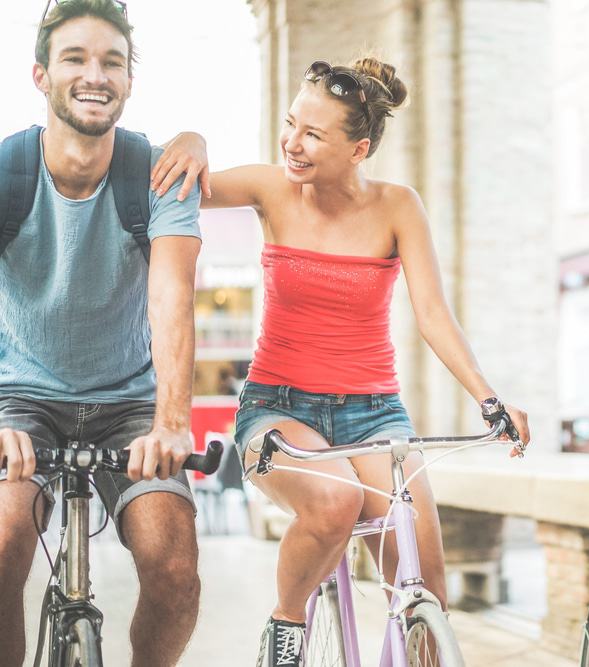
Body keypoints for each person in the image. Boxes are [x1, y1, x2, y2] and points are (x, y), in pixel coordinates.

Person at [153, 57, 530, 666]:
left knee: (424, 590)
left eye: (313, 134)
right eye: (291, 124)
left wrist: (490, 398)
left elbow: (433, 315)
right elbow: (175, 181)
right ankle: (286, 625)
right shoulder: (270, 188)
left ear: (359, 149)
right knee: (335, 505)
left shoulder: (397, 207)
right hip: (277, 408)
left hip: (375, 414)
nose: (292, 143)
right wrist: (191, 139)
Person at [0, 2, 205, 666]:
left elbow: (172, 295)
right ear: (40, 75)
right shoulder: (6, 172)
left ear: (128, 79)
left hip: (129, 404)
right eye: (76, 58)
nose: (96, 74)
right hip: (21, 397)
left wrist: (172, 419)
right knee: (1, 546)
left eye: (112, 61)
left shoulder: (157, 173)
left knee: (173, 567)